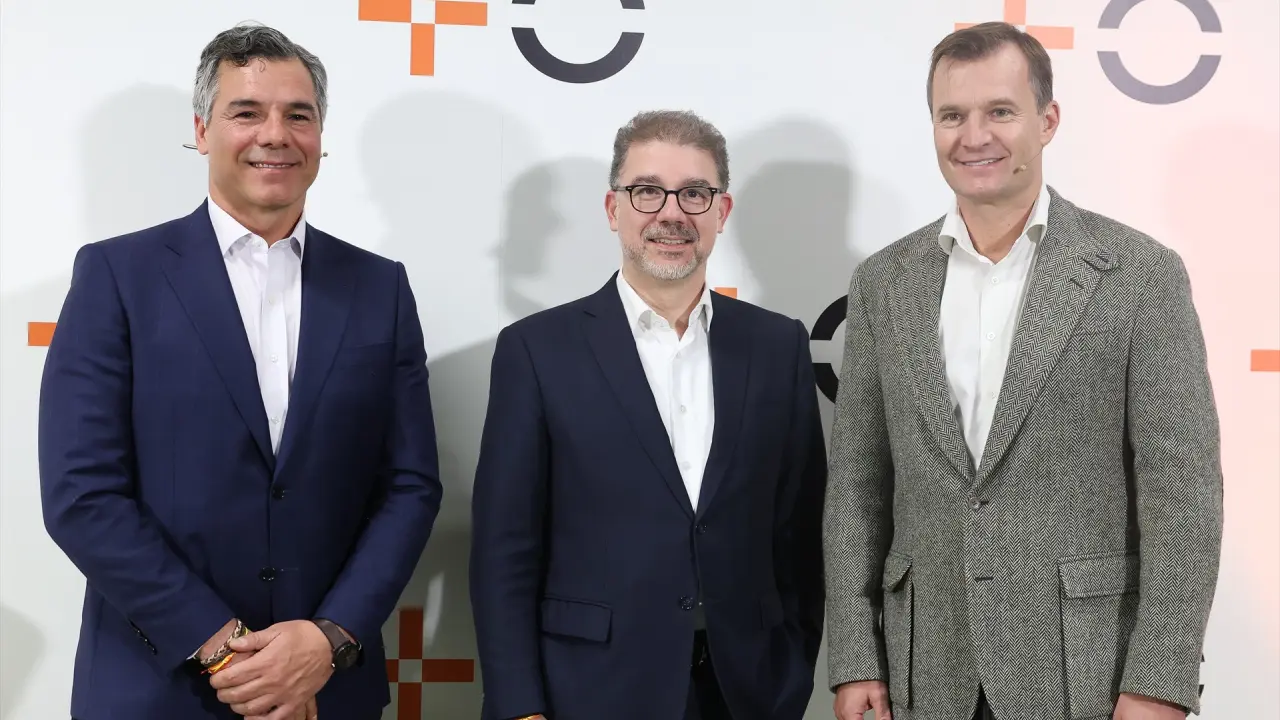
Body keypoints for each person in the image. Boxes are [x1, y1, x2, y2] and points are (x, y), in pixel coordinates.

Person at [37, 22, 442, 720]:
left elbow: (409, 486)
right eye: (247, 112)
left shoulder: (380, 288)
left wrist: (329, 639)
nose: (275, 135)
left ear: (321, 136)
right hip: (156, 689)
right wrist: (227, 652)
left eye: (298, 115)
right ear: (202, 131)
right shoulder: (117, 276)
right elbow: (81, 494)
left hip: (327, 690)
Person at [823, 21, 1223, 720]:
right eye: (952, 115)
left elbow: (1183, 496)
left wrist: (1159, 680)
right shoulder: (883, 282)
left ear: (1048, 120)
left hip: (1086, 675)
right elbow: (857, 486)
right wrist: (855, 655)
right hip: (925, 673)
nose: (973, 136)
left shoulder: (1140, 275)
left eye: (1000, 111)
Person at [469, 110, 827, 720]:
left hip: (746, 692)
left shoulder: (778, 345)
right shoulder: (537, 350)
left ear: (721, 211)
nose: (671, 212)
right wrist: (518, 705)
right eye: (647, 191)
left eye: (695, 193)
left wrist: (791, 673)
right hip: (588, 691)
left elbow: (798, 532)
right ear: (614, 209)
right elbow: (504, 549)